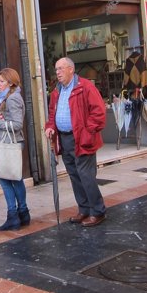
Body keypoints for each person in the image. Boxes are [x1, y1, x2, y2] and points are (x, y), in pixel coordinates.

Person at [45, 57, 107, 227]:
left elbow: (99, 113)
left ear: (71, 69)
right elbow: (52, 114)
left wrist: (87, 132)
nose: (57, 72)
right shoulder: (56, 91)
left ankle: (98, 211)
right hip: (64, 139)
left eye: (61, 69)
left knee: (86, 176)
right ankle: (84, 209)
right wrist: (50, 126)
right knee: (74, 176)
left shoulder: (85, 87)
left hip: (82, 138)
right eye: (56, 69)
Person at [0, 68, 29, 231]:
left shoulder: (12, 98)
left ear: (11, 82)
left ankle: (13, 215)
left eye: (1, 81)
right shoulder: (7, 97)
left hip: (10, 143)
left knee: (6, 179)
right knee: (15, 178)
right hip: (10, 142)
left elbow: (18, 124)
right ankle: (23, 213)